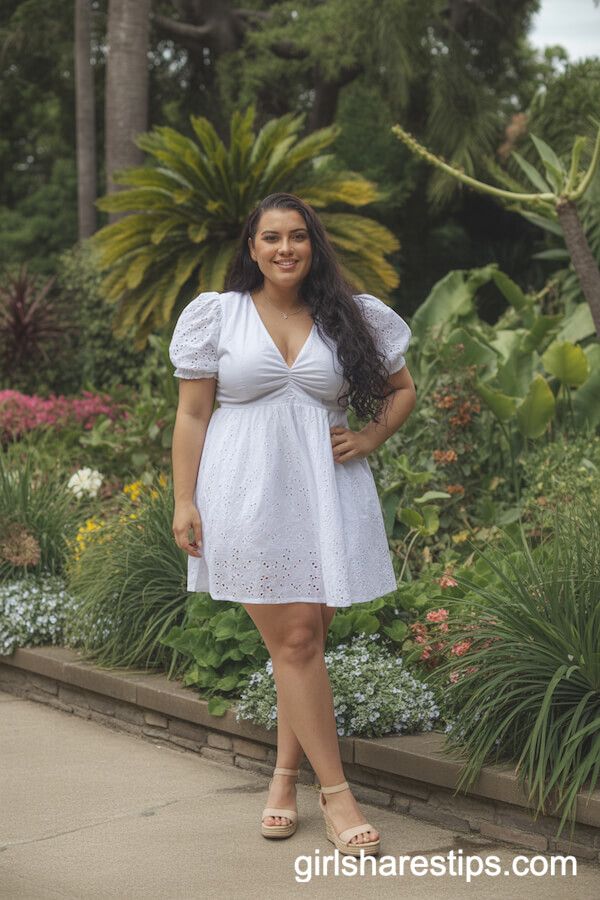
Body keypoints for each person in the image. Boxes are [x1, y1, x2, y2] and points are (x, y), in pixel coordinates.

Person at [169, 192, 416, 856]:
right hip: (244, 493)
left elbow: (403, 389)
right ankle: (337, 796)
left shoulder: (350, 316)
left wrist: (368, 438)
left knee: (298, 646)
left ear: (314, 245)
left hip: (326, 494)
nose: (285, 249)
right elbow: (193, 415)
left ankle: (282, 779)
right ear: (250, 247)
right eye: (271, 237)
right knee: (299, 642)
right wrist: (184, 501)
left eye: (298, 237)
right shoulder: (216, 315)